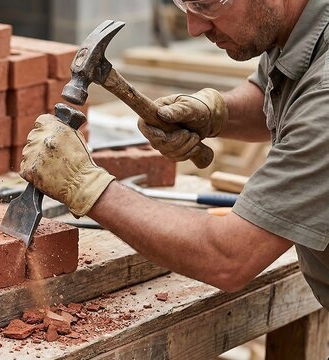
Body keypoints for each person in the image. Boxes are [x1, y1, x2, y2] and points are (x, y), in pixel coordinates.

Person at [19, 0, 329, 308]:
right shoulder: (295, 27)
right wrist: (214, 113)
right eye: (185, 5)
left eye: (206, 5)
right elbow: (275, 93)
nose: (194, 28)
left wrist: (83, 183)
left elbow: (229, 257)